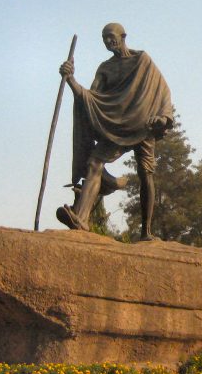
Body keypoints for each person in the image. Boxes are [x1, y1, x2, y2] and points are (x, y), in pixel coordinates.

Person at [57, 22, 174, 240]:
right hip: (116, 127)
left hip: (143, 124)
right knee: (94, 162)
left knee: (145, 174)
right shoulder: (105, 68)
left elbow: (164, 91)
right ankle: (80, 218)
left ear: (123, 36)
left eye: (111, 36)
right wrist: (71, 79)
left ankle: (146, 231)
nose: (108, 41)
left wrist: (164, 117)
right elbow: (90, 98)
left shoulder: (143, 61)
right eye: (104, 38)